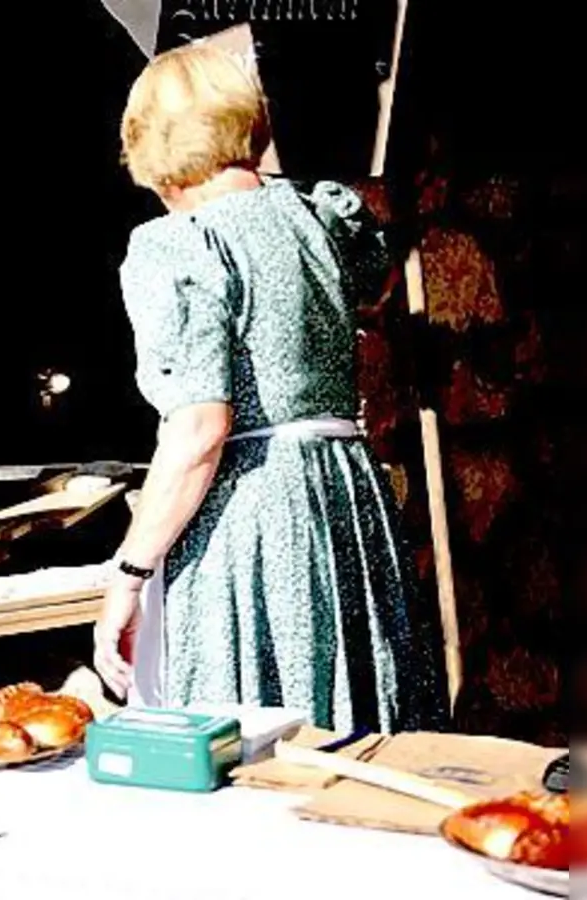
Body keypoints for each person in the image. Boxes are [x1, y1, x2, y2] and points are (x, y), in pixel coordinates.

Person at [92, 43, 447, 734]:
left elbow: (199, 429)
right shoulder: (317, 217)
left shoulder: (179, 244)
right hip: (347, 486)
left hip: (256, 506)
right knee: (358, 716)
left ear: (151, 146)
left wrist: (128, 574)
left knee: (255, 726)